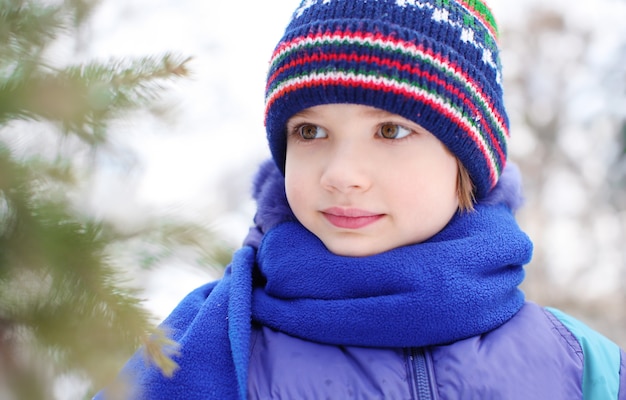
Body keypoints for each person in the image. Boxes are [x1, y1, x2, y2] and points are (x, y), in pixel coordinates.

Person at [96, 0, 626, 398]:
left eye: (391, 131)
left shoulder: (584, 366)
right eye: (309, 132)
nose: (341, 174)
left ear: (466, 158)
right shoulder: (210, 348)